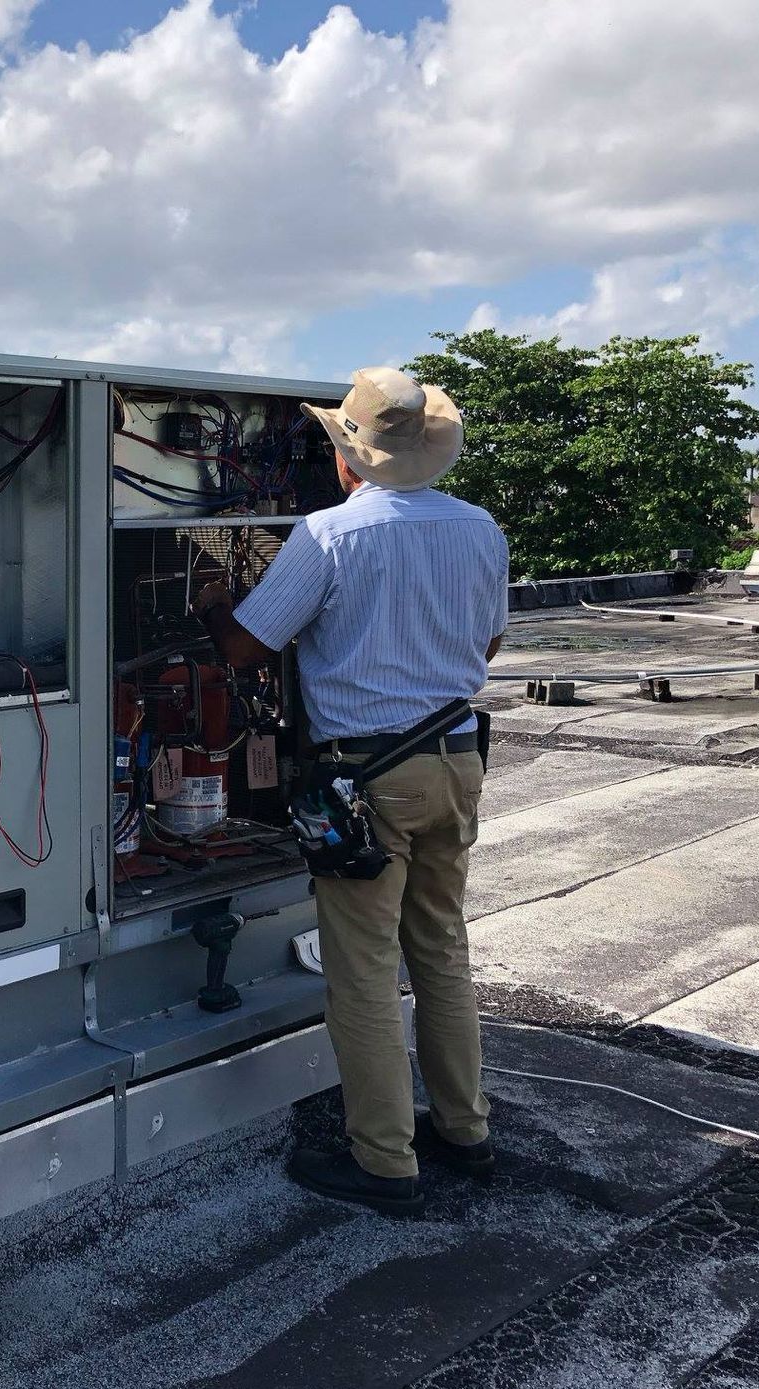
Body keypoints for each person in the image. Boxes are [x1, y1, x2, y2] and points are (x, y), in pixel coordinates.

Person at [193, 366, 509, 1217]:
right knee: (441, 950)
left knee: (365, 972)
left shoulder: (330, 536)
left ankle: (384, 1162)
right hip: (457, 761)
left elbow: (248, 654)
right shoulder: (482, 529)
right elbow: (489, 643)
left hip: (366, 779)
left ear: (346, 458)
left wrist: (219, 601)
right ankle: (466, 1130)